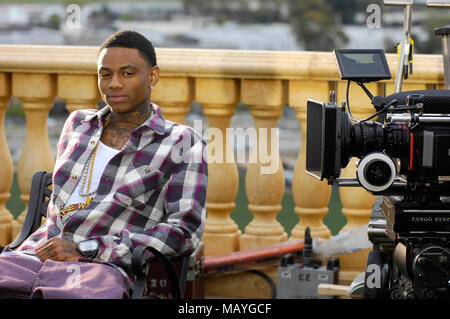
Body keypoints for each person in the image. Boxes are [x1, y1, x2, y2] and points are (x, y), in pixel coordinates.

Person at [0, 30, 208, 299]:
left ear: (152, 76)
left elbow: (184, 232)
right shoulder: (78, 124)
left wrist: (85, 248)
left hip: (97, 271)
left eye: (128, 73)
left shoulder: (182, 142)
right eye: (105, 74)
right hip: (30, 257)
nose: (114, 84)